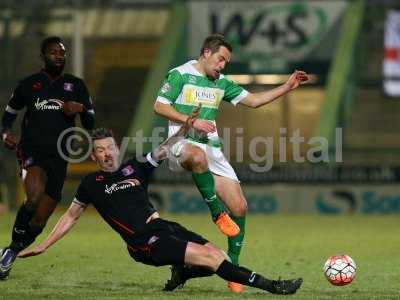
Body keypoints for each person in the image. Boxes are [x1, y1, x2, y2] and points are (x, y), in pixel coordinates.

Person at [17, 118, 303, 295]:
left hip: (163, 227)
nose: (106, 153)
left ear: (117, 147)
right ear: (93, 155)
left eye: (109, 147)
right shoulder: (91, 183)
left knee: (217, 257)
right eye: (99, 150)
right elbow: (70, 216)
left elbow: (166, 147)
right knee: (214, 260)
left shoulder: (135, 167)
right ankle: (273, 286)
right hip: (144, 242)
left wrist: (184, 129)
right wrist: (45, 244)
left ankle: (182, 272)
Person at [154, 33, 308, 292]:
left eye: (226, 62)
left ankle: (233, 270)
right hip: (180, 144)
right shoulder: (179, 74)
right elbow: (159, 106)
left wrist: (286, 86)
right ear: (206, 53)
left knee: (240, 206)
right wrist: (189, 121)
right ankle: (216, 213)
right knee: (197, 156)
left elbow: (255, 101)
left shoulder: (222, 83)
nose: (223, 65)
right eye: (220, 59)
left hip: (212, 149)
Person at [0, 36, 95, 279]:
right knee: (32, 198)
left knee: (40, 221)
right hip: (32, 150)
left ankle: (10, 251)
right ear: (43, 56)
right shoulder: (29, 84)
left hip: (60, 156)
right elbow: (9, 114)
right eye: (53, 52)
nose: (59, 55)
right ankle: (10, 254)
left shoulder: (76, 85)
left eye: (62, 52)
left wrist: (80, 109)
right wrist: (5, 133)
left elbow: (90, 123)